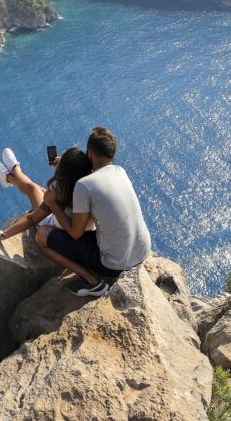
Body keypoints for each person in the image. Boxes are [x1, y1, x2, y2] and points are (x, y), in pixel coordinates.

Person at [37, 127, 151, 297]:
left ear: (89, 153)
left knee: (42, 236)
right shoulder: (121, 172)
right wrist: (63, 166)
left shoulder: (84, 185)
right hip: (142, 253)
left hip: (113, 265)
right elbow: (97, 181)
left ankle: (92, 282)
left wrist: (52, 205)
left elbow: (75, 233)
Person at [0, 147, 93, 243]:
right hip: (68, 224)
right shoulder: (86, 187)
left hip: (50, 223)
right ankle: (8, 177)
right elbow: (76, 173)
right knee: (40, 190)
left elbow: (33, 218)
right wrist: (65, 165)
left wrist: (3, 234)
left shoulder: (62, 196)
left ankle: (14, 170)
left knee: (33, 188)